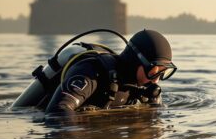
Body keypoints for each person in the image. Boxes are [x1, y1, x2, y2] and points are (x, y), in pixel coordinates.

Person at [45, 29, 177, 115]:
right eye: (153, 71)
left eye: (162, 73)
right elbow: (57, 111)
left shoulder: (146, 89)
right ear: (136, 62)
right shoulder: (93, 73)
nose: (156, 80)